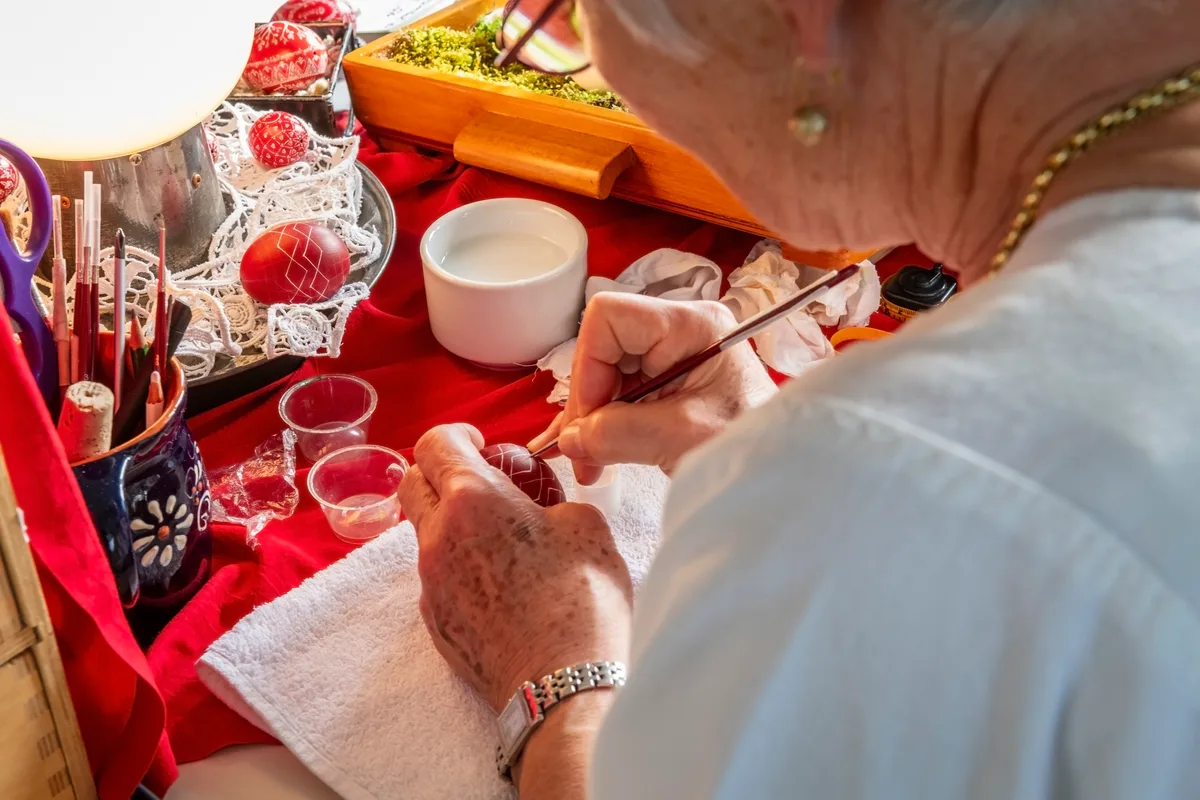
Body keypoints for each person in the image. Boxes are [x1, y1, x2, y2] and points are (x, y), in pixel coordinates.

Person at [398, 0, 1200, 797]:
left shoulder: (879, 483)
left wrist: (549, 672)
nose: (590, 61)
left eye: (562, 12)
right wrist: (783, 462)